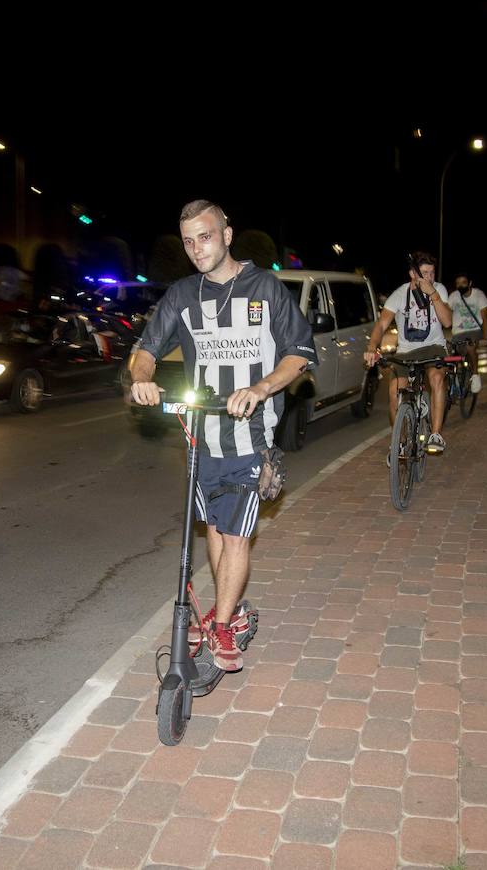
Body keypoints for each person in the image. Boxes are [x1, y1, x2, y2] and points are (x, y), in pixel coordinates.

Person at [130, 199, 315, 672]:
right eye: (189, 241)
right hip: (200, 436)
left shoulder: (265, 287)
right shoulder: (182, 295)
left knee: (234, 534)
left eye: (205, 236)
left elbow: (298, 355)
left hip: (251, 433)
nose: (196, 249)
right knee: (212, 527)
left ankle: (223, 621)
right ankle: (223, 610)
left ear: (227, 235)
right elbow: (145, 350)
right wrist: (142, 376)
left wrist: (260, 387)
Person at [363, 251, 453, 455]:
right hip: (406, 351)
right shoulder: (399, 294)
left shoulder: (439, 289)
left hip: (433, 346)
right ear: (413, 273)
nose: (429, 277)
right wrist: (372, 347)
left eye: (432, 272)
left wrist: (433, 294)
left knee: (437, 377)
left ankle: (436, 435)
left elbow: (447, 321)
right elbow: (382, 324)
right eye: (424, 273)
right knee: (395, 391)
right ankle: (400, 442)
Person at [446, 273, 487, 393]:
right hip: (458, 332)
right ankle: (454, 380)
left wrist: (486, 338)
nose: (460, 285)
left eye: (464, 283)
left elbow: (485, 317)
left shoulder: (478, 295)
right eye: (458, 283)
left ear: (470, 283)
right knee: (449, 353)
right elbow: (445, 312)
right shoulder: (454, 296)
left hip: (475, 330)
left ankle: (476, 374)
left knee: (470, 346)